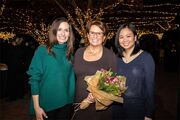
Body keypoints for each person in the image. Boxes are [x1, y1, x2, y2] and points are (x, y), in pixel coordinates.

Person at [27, 17, 75, 120]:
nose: (63, 33)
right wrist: (36, 107)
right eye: (59, 29)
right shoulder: (42, 50)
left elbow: (70, 79)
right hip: (46, 105)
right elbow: (34, 79)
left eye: (66, 30)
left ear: (69, 34)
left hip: (66, 104)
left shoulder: (69, 54)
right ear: (54, 31)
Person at [73, 20, 117, 120]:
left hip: (99, 108)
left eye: (99, 33)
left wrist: (96, 94)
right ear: (88, 35)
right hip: (79, 104)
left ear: (104, 37)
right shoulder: (79, 52)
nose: (95, 36)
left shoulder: (110, 56)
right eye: (92, 32)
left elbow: (114, 85)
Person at [113, 22, 155, 120]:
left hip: (137, 108)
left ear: (135, 37)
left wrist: (149, 113)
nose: (125, 40)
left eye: (128, 36)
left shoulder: (146, 58)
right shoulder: (116, 58)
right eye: (121, 37)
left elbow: (150, 87)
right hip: (116, 107)